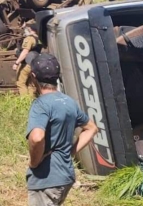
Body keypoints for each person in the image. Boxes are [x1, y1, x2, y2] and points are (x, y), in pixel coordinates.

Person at [26, 53, 98, 206]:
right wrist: (70, 151)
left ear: (33, 76)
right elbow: (91, 128)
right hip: (65, 176)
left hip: (46, 180)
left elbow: (37, 138)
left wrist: (34, 162)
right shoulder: (69, 102)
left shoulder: (41, 104)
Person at [12, 20, 42, 97]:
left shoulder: (29, 39)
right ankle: (31, 100)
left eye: (28, 28)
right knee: (30, 84)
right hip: (35, 63)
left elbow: (25, 52)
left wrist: (16, 63)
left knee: (20, 83)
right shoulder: (39, 38)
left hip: (26, 64)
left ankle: (25, 101)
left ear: (31, 30)